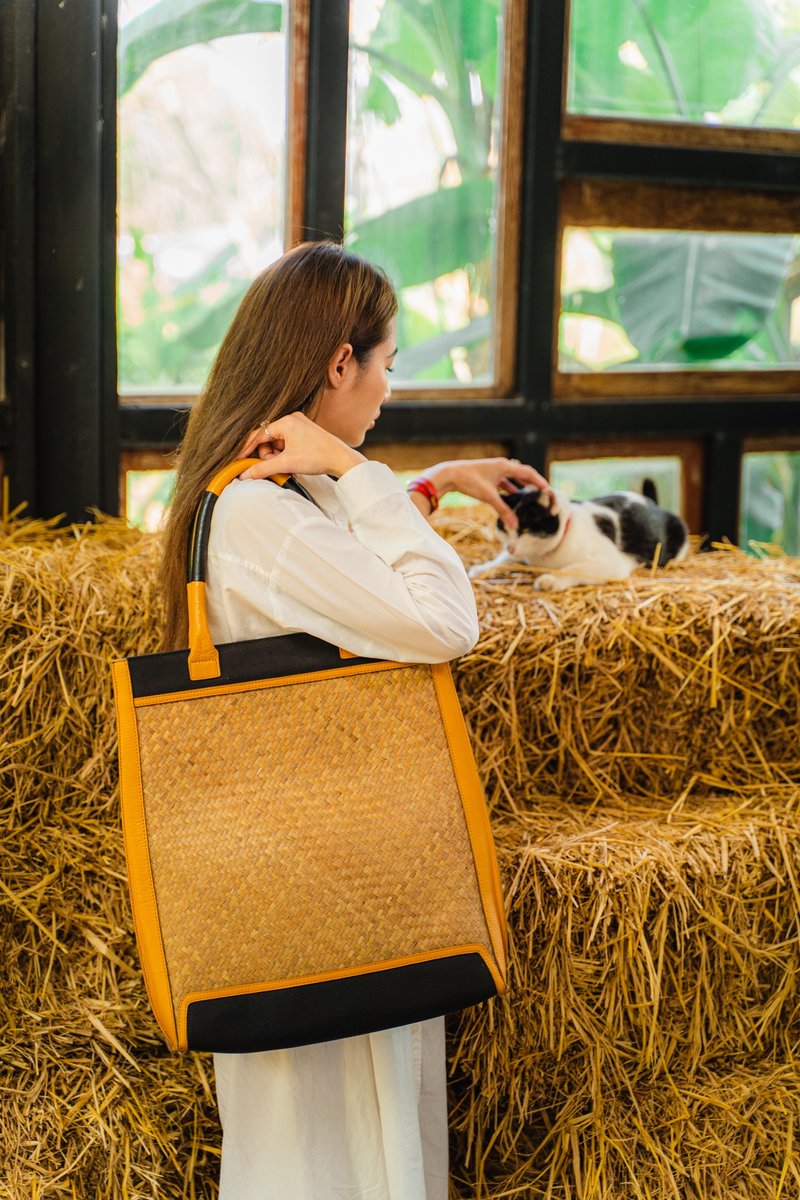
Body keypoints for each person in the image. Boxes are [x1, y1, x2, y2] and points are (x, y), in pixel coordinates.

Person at [158, 240, 547, 1200]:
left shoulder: (280, 496)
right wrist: (354, 462)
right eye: (386, 363)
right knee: (330, 1156)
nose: (386, 390)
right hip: (319, 876)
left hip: (321, 865)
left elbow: (347, 571)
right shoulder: (258, 515)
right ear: (339, 363)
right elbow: (441, 619)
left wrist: (431, 478)